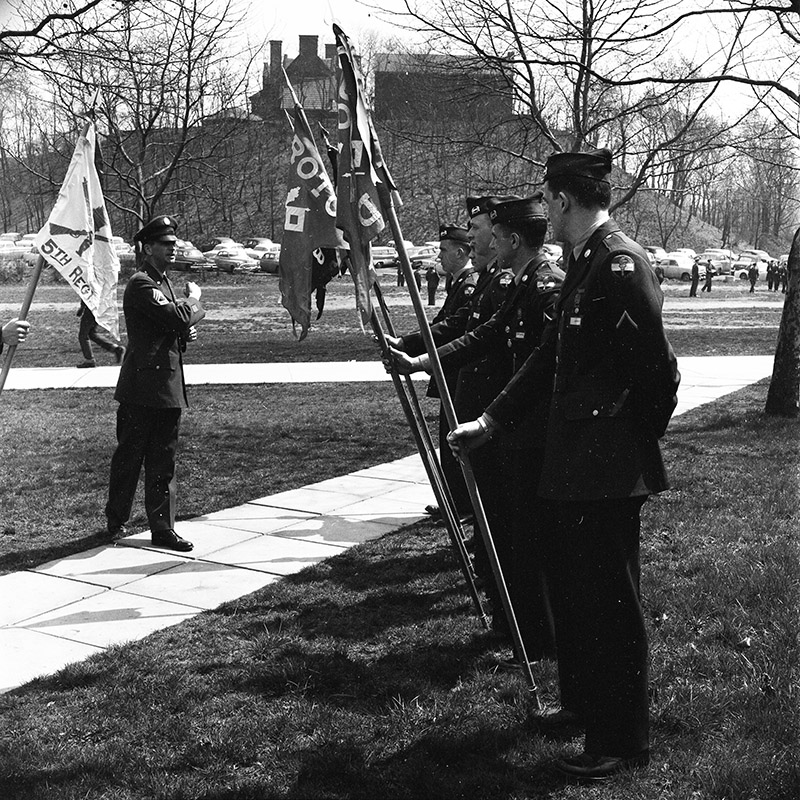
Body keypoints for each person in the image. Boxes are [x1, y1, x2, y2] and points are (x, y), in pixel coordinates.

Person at [449, 149, 679, 781]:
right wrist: (490, 422)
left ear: (565, 201)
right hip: (571, 465)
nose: (543, 211)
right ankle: (583, 707)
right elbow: (544, 358)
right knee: (576, 596)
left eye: (547, 200)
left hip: (605, 469)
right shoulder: (583, 264)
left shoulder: (621, 264)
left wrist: (630, 443)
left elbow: (658, 372)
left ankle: (622, 738)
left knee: (610, 603)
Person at [392, 194, 564, 655]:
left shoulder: (545, 287)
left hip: (527, 431)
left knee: (523, 539)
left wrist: (490, 417)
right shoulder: (520, 283)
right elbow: (485, 334)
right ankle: (520, 628)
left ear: (510, 238)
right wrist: (423, 361)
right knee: (507, 534)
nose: (476, 240)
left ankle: (536, 637)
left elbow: (539, 367)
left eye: (488, 232)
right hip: (508, 425)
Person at [105, 215, 205, 551]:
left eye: (174, 244)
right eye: (166, 244)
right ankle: (115, 520)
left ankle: (162, 529)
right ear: (148, 248)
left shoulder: (162, 283)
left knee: (164, 461)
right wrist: (194, 301)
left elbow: (170, 328)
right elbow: (174, 317)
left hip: (166, 387)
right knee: (129, 459)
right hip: (142, 388)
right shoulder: (141, 282)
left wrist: (184, 331)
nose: (173, 248)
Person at [388, 223, 477, 520]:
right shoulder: (457, 283)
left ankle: (461, 505)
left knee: (454, 441)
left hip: (458, 374)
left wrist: (407, 345)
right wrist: (406, 342)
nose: (438, 254)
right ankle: (454, 501)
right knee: (446, 441)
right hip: (448, 373)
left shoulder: (469, 285)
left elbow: (449, 329)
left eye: (443, 249)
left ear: (461, 252)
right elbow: (437, 323)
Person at [76, 300, 125, 368]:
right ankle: (115, 349)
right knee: (91, 333)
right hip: (99, 307)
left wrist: (82, 307)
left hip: (91, 308)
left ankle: (89, 360)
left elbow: (87, 293)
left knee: (83, 335)